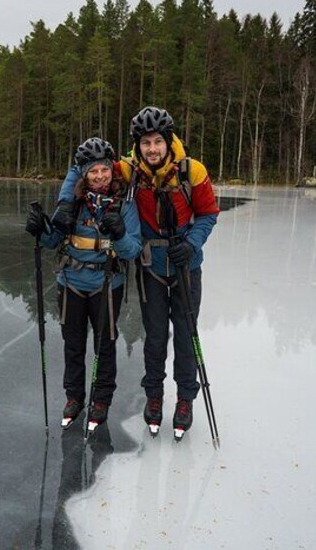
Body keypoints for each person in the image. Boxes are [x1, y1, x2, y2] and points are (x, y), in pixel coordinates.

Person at [56, 107, 220, 439]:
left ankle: (185, 400)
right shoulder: (130, 170)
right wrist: (63, 204)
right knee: (155, 338)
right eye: (146, 143)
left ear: (169, 141)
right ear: (138, 145)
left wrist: (192, 243)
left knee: (187, 335)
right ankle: (155, 398)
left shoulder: (193, 171)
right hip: (151, 266)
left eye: (158, 141)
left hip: (186, 265)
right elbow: (85, 166)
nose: (153, 149)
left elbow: (208, 214)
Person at [26, 137, 142, 432]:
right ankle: (74, 397)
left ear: (112, 171)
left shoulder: (124, 204)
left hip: (107, 284)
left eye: (104, 170)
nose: (100, 177)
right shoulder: (73, 204)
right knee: (73, 345)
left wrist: (119, 233)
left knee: (105, 345)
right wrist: (40, 229)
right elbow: (53, 240)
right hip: (72, 284)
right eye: (93, 172)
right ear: (84, 175)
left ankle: (100, 400)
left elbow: (133, 251)